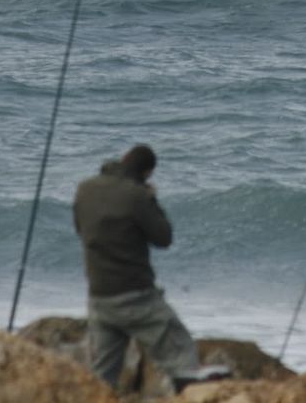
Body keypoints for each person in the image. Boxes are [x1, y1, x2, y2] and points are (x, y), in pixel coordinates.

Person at [71, 144, 226, 391]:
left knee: (102, 377)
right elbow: (163, 237)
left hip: (99, 297)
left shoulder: (85, 189)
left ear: (122, 160)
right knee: (182, 352)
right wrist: (151, 198)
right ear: (147, 173)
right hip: (136, 297)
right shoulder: (137, 195)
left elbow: (81, 230)